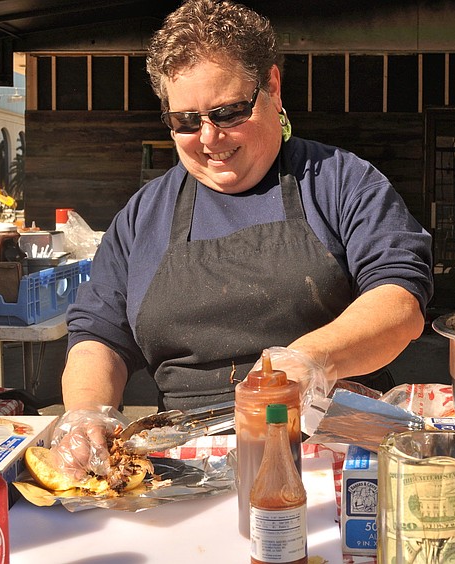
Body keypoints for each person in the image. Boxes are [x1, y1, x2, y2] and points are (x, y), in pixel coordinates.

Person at [53, 0, 433, 476]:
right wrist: (88, 413)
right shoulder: (142, 217)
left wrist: (310, 360)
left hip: (336, 452)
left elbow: (400, 304)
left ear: (272, 87)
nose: (210, 138)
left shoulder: (341, 182)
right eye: (186, 121)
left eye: (229, 112)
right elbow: (98, 335)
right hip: (184, 464)